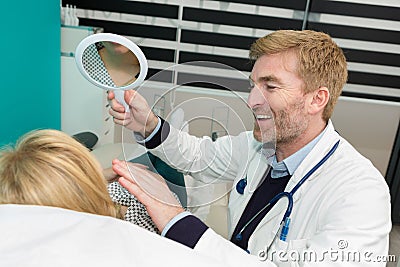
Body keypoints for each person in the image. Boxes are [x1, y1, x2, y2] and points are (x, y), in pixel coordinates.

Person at [108, 30, 391, 266]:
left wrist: (175, 219)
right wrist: (149, 126)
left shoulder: (361, 193)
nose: (252, 100)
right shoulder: (257, 147)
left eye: (270, 87)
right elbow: (198, 156)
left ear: (317, 100)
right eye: (253, 85)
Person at [0, 129, 245, 267]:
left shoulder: (20, 219)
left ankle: (160, 141)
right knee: (161, 166)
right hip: (144, 202)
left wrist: (102, 176)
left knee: (150, 160)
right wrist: (176, 214)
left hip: (112, 188)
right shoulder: (134, 239)